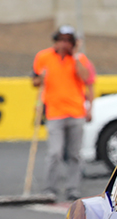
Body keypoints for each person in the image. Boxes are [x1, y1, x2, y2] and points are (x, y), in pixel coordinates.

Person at [32, 25, 93, 201]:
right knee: (55, 152)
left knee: (75, 154)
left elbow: (86, 77)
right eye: (61, 40)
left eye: (68, 41)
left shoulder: (79, 59)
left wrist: (75, 56)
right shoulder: (43, 57)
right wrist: (41, 78)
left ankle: (73, 188)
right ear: (56, 41)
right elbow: (34, 81)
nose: (64, 44)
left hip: (76, 111)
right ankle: (50, 188)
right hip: (54, 112)